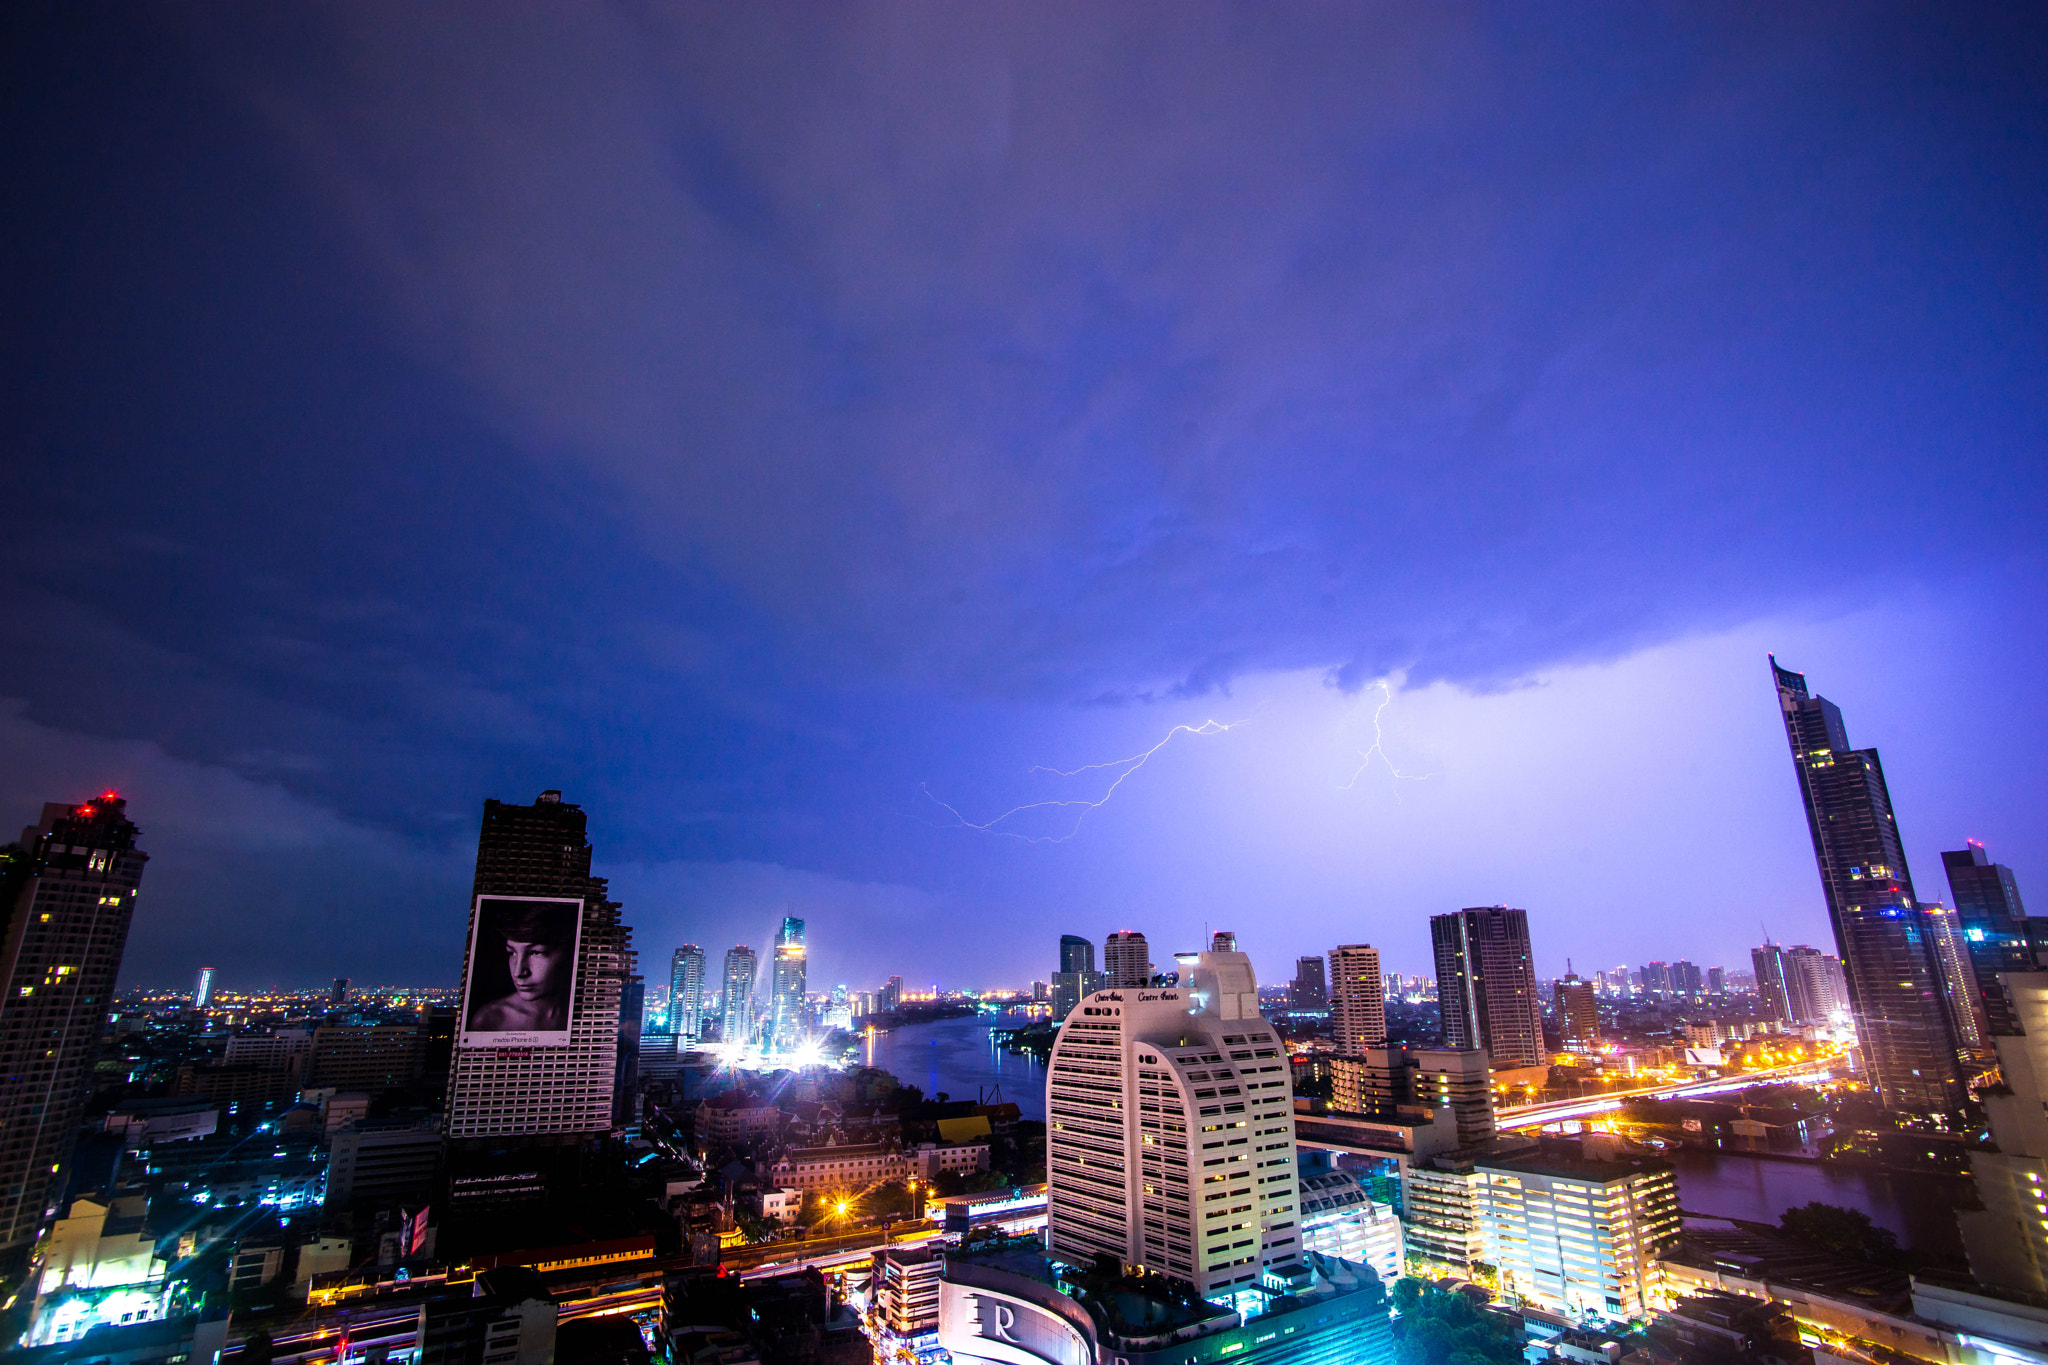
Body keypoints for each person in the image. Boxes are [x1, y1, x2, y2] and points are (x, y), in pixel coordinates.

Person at [467, 901, 575, 1032]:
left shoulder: (587, 1011)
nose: (518, 972)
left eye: (536, 953)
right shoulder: (492, 1019)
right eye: (511, 953)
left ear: (568, 953)